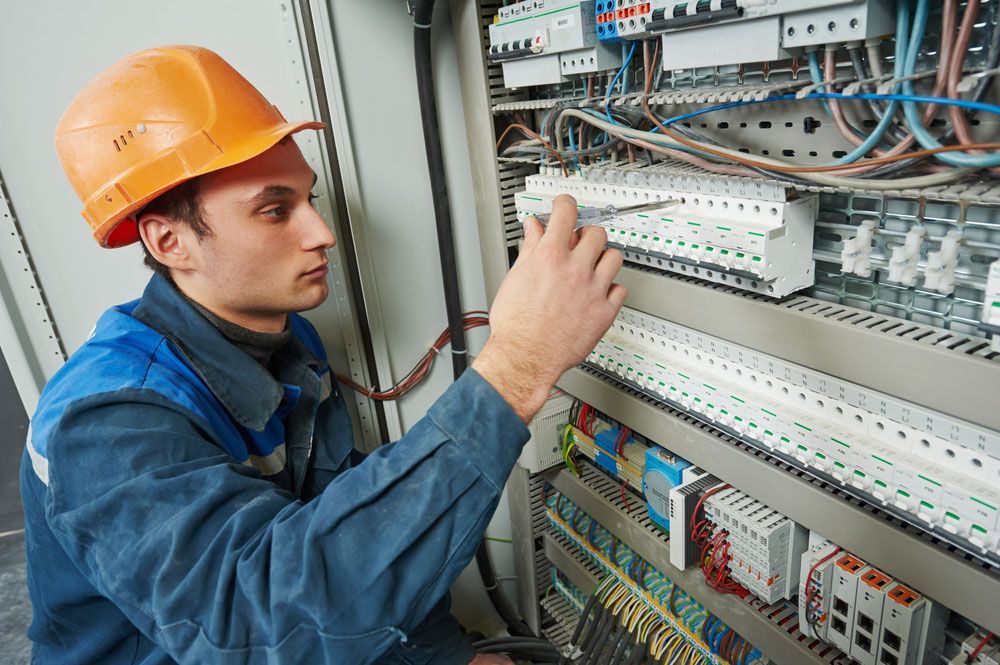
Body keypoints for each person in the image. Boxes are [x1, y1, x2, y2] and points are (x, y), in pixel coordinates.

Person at [20, 45, 626, 664]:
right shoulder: (105, 419)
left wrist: (444, 657)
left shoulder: (286, 341)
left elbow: (345, 525)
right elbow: (264, 627)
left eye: (309, 200)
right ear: (170, 241)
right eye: (275, 210)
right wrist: (517, 367)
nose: (322, 233)